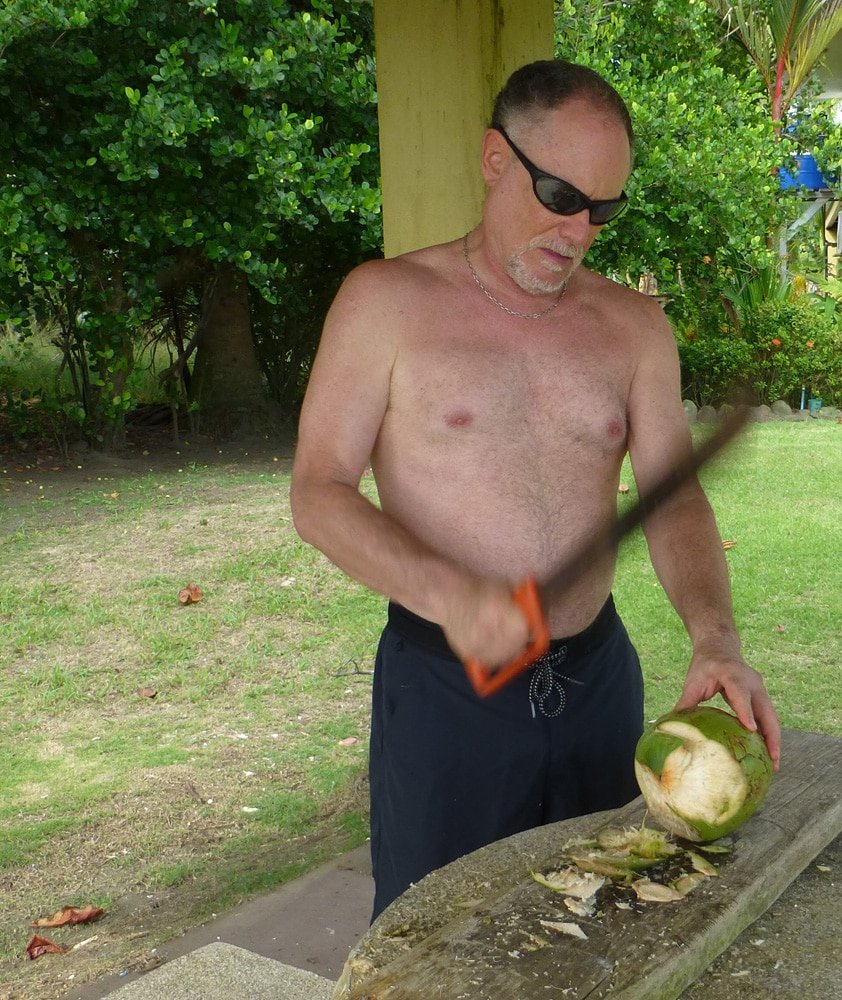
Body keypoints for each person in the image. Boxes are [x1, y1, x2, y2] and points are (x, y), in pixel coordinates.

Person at [290, 59, 781, 921]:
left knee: (607, 926)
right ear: (494, 159)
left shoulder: (632, 327)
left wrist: (716, 638)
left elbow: (674, 499)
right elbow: (319, 492)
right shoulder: (385, 303)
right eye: (560, 195)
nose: (580, 230)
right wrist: (451, 594)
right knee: (434, 939)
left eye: (604, 209)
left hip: (598, 681)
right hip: (448, 693)